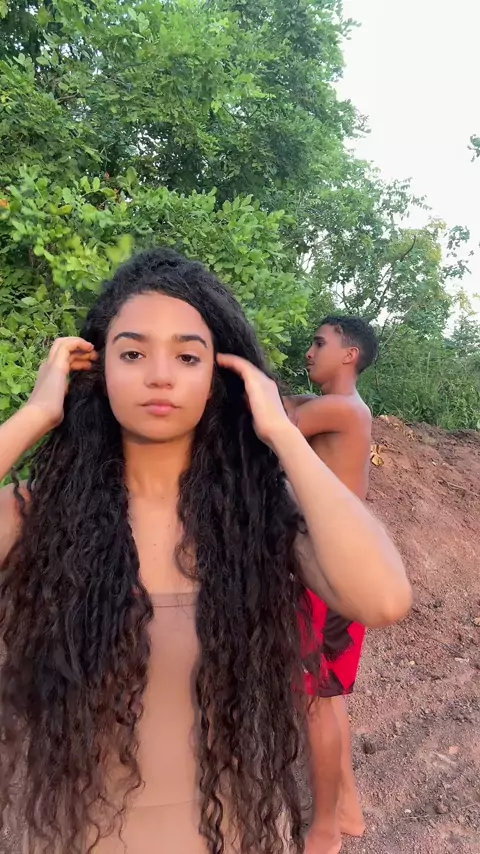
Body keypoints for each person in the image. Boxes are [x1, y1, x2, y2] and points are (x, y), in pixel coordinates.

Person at [0, 251, 410, 854]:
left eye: (187, 357)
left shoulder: (258, 520)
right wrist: (36, 414)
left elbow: (385, 599)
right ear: (97, 368)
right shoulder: (34, 515)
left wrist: (281, 435)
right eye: (132, 354)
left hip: (233, 837)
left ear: (219, 377)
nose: (159, 376)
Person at [285, 316, 380, 854]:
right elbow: (288, 403)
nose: (310, 351)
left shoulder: (343, 410)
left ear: (349, 355)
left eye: (319, 343)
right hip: (335, 567)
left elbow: (275, 420)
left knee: (316, 701)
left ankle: (325, 830)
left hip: (331, 571)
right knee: (328, 696)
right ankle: (348, 811)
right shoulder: (340, 407)